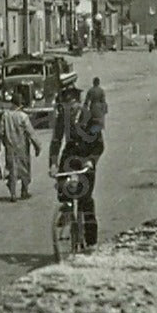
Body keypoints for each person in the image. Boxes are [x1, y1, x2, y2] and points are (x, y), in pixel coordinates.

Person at [49, 84, 105, 247]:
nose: (70, 108)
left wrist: (91, 161)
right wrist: (52, 163)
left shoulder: (90, 117)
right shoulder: (62, 118)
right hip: (70, 157)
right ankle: (65, 211)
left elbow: (99, 145)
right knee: (62, 186)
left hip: (86, 157)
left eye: (72, 104)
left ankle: (91, 241)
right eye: (66, 105)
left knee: (85, 200)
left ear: (78, 102)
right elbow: (56, 141)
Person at [0, 92, 41, 202]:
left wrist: (5, 142)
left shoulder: (5, 115)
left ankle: (13, 193)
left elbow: (1, 132)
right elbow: (30, 133)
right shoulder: (23, 116)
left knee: (11, 169)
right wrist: (37, 146)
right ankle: (24, 190)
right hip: (22, 146)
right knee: (24, 169)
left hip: (10, 146)